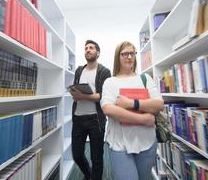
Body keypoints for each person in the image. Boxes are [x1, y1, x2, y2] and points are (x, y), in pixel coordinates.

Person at [101, 41, 164, 180]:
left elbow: (159, 104)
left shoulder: (145, 79)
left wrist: (130, 103)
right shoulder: (110, 82)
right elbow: (108, 109)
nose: (129, 57)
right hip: (119, 144)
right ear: (118, 56)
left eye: (132, 53)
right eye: (125, 54)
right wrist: (143, 119)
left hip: (147, 142)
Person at [70, 40, 111, 180]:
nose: (88, 50)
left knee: (97, 157)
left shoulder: (104, 71)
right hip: (78, 118)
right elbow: (76, 89)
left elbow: (102, 95)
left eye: (91, 48)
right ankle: (88, 174)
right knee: (76, 155)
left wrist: (83, 96)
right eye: (86, 48)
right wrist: (75, 94)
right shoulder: (79, 70)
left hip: (95, 119)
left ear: (97, 53)